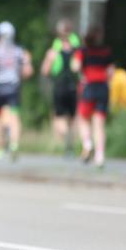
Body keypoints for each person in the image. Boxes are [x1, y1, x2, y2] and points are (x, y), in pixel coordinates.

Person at [0, 21, 32, 160]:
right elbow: (28, 72)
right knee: (14, 117)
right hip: (14, 87)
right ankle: (14, 144)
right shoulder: (19, 51)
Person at [40, 18, 81, 155]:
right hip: (74, 86)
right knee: (72, 117)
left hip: (59, 85)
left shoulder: (54, 49)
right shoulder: (78, 49)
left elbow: (45, 71)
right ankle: (70, 143)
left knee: (58, 117)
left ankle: (66, 140)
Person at [77, 26, 115, 168]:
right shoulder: (106, 51)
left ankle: (87, 144)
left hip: (89, 87)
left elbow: (76, 66)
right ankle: (100, 155)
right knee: (99, 123)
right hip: (103, 88)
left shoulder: (83, 52)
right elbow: (111, 71)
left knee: (83, 119)